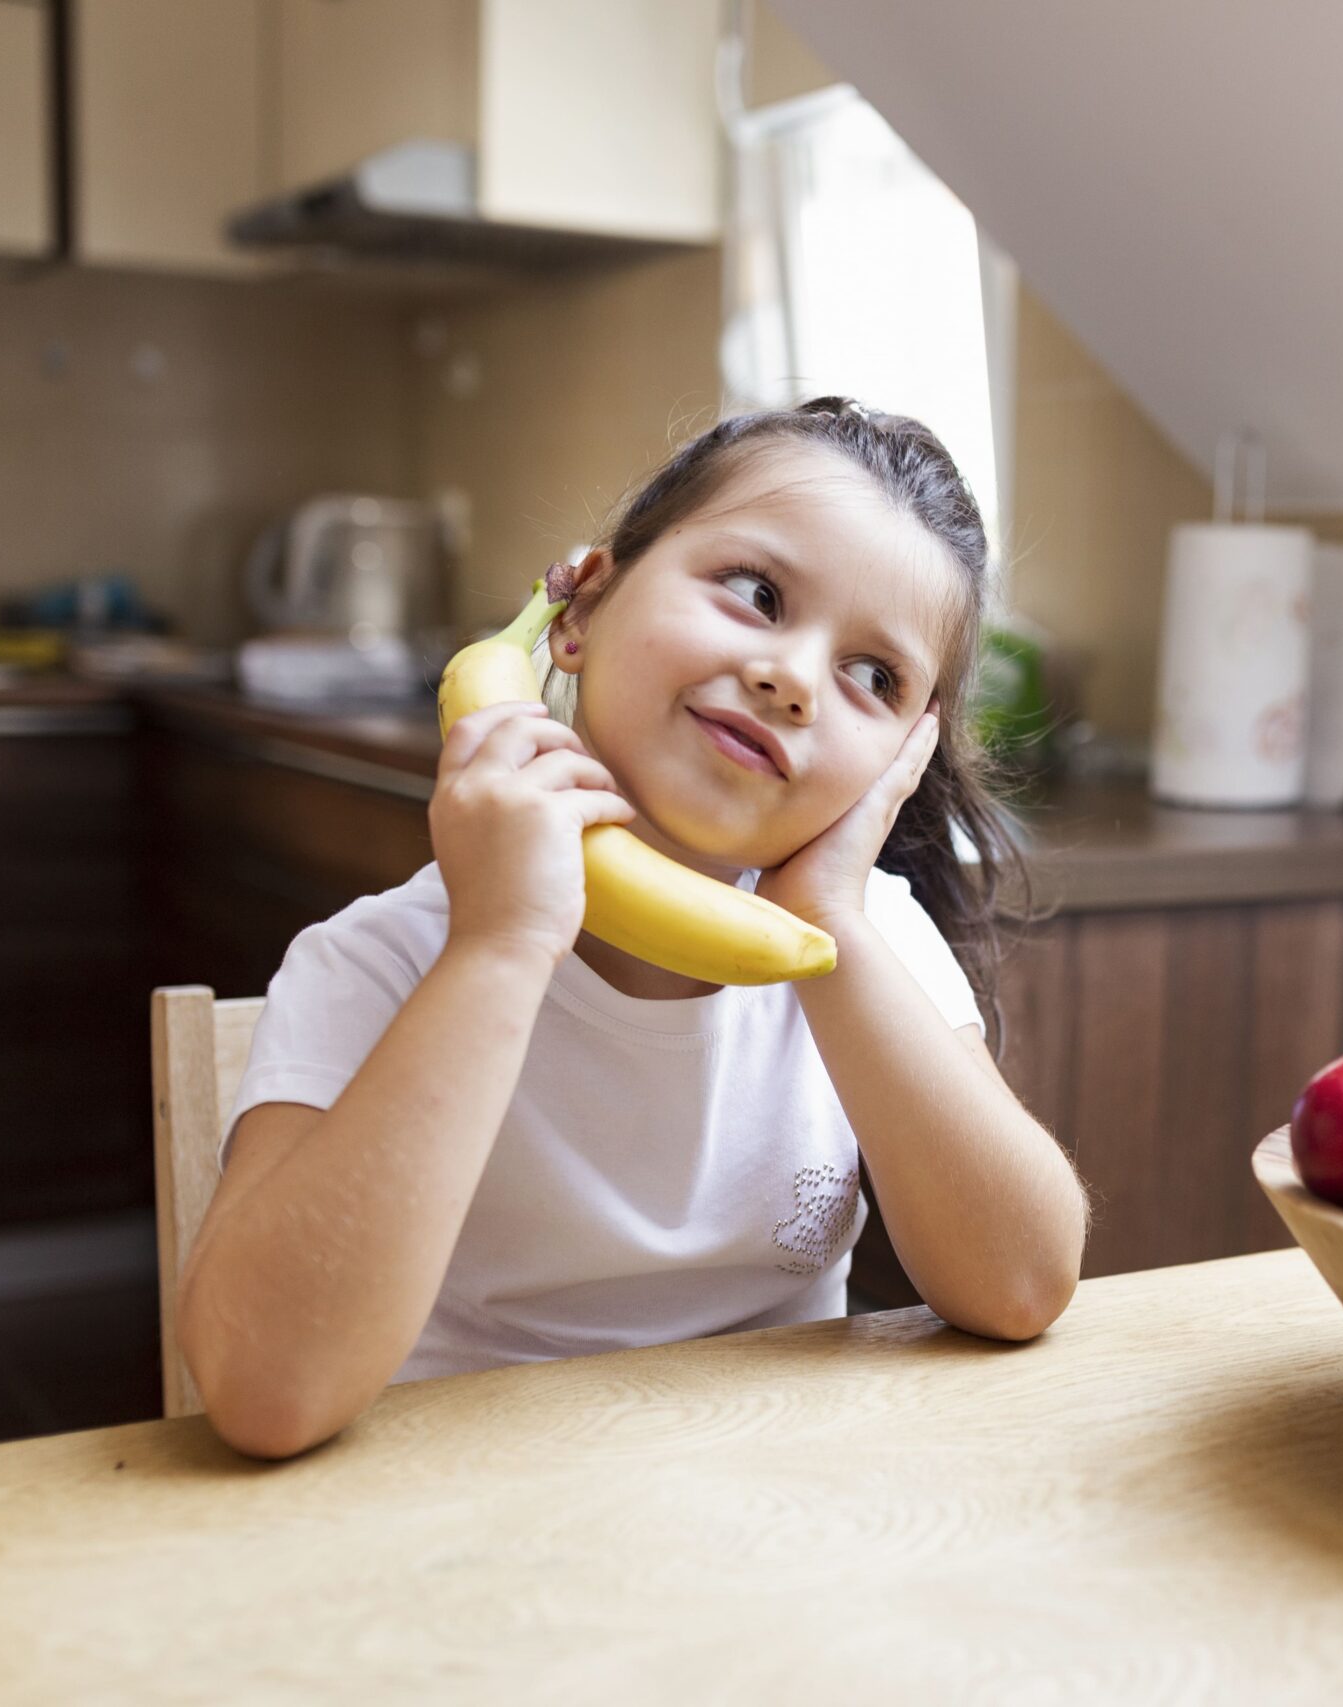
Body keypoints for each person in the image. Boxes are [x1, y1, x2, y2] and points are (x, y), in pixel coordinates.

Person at [177, 398, 1090, 1459]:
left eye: (873, 676)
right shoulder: (381, 960)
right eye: (755, 594)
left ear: (905, 758)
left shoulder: (865, 941)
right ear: (583, 607)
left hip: (764, 1523)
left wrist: (833, 923)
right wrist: (501, 944)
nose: (792, 679)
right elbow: (262, 1391)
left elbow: (1022, 1284)